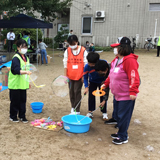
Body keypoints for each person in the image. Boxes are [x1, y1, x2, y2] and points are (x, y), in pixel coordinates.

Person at [101, 37, 140, 145]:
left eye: (117, 48)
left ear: (122, 48)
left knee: (124, 116)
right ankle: (120, 132)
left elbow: (133, 76)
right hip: (117, 93)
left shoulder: (129, 60)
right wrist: (106, 83)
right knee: (118, 115)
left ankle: (123, 136)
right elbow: (111, 74)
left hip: (126, 95)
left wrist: (133, 91)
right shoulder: (116, 59)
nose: (115, 50)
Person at [63, 35, 88, 115]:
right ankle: (73, 107)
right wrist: (65, 75)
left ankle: (77, 109)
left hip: (79, 76)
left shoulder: (83, 50)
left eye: (73, 43)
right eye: (70, 44)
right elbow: (65, 63)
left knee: (76, 91)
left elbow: (85, 64)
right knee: (71, 91)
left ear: (77, 42)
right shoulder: (67, 50)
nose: (71, 45)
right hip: (70, 75)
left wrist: (84, 76)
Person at [8, 39, 31, 123]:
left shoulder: (26, 58)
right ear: (18, 48)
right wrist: (26, 72)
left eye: (25, 47)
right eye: (22, 47)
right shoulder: (16, 58)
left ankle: (22, 116)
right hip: (15, 84)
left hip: (23, 84)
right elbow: (16, 70)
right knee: (15, 102)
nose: (24, 48)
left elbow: (27, 69)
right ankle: (13, 116)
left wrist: (28, 82)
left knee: (23, 101)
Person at [83, 53, 109, 120]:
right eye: (89, 63)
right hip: (92, 82)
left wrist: (105, 81)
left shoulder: (104, 63)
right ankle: (90, 111)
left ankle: (104, 112)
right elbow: (85, 77)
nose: (90, 65)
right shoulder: (87, 67)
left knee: (103, 96)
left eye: (92, 64)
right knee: (91, 96)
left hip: (103, 82)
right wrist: (86, 87)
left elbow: (108, 73)